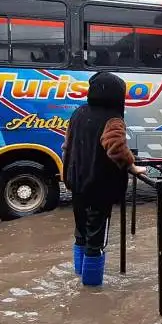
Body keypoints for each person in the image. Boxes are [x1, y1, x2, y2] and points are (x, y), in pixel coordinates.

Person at [62, 72, 147, 286]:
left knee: (81, 233)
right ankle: (91, 291)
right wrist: (132, 166)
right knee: (97, 242)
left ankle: (79, 277)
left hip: (78, 184)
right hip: (100, 189)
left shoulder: (78, 113)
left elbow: (67, 146)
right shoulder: (113, 119)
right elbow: (116, 148)